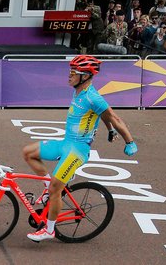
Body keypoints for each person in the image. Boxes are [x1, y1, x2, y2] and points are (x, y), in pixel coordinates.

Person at [23, 55, 137, 242]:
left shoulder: (93, 97)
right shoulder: (78, 91)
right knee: (28, 153)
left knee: (55, 189)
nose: (69, 76)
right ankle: (49, 188)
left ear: (85, 76)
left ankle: (49, 230)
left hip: (77, 150)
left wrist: (129, 141)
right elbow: (102, 118)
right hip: (65, 143)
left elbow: (113, 117)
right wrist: (109, 131)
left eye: (73, 73)